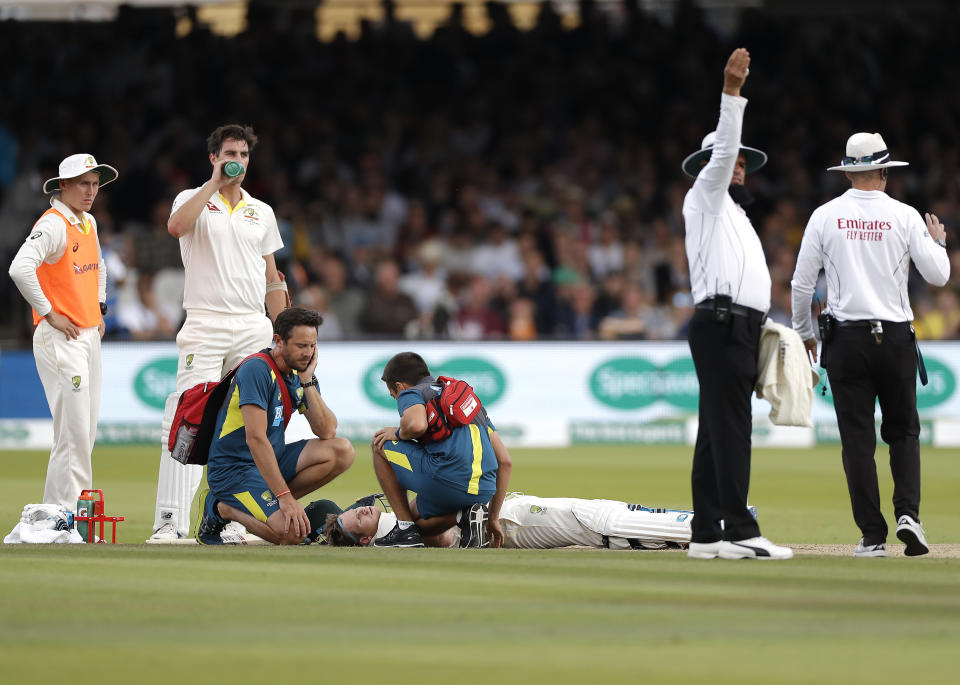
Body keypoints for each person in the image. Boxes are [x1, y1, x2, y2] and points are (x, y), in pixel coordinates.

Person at [790, 132, 949, 558]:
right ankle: (908, 516)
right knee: (903, 431)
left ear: (848, 171)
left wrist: (804, 331)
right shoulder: (905, 215)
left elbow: (802, 284)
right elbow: (939, 276)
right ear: (882, 171)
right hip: (895, 336)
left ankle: (872, 535)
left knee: (856, 439)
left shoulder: (825, 215)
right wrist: (939, 243)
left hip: (845, 340)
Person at [148, 124, 290, 542]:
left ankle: (233, 518)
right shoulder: (192, 199)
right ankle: (171, 524)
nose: (238, 162)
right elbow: (176, 227)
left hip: (252, 327)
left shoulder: (261, 211)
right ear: (213, 157)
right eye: (230, 153)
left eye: (244, 156)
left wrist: (284, 335)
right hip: (206, 324)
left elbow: (272, 278)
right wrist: (214, 184)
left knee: (251, 427)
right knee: (188, 419)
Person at [680, 48, 792, 560]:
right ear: (709, 165)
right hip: (722, 324)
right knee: (731, 427)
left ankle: (706, 533)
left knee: (716, 427)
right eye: (733, 160)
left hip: (737, 326)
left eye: (746, 162)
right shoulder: (705, 194)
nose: (739, 166)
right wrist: (731, 92)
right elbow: (723, 153)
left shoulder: (734, 214)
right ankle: (740, 531)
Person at [7, 153, 118, 510]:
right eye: (83, 183)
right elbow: (20, 268)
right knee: (74, 433)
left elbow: (98, 267)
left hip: (87, 335)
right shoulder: (53, 223)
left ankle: (54, 513)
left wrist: (99, 307)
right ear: (63, 186)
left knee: (80, 433)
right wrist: (49, 313)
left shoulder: (88, 223)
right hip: (60, 337)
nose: (90, 191)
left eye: (95, 183)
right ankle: (77, 515)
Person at [195, 307, 355, 545]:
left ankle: (270, 504)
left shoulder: (300, 373)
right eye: (302, 346)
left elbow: (326, 430)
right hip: (234, 470)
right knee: (292, 535)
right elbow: (256, 439)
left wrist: (308, 380)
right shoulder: (257, 369)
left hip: (270, 461)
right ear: (279, 341)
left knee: (342, 451)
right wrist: (285, 497)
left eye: (313, 346)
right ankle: (221, 508)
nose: (308, 353)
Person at [370, 351, 512, 547]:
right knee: (417, 522)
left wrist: (397, 432)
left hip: (446, 480)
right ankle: (465, 517)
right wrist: (493, 518)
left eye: (393, 395)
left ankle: (404, 529)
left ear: (399, 387)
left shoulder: (412, 393)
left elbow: (417, 425)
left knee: (379, 443)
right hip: (484, 489)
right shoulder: (467, 400)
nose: (396, 399)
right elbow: (505, 461)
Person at [323, 495, 693, 550]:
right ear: (363, 540)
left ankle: (714, 522)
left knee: (595, 513)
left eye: (355, 509)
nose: (362, 510)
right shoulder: (394, 537)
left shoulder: (398, 518)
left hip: (513, 510)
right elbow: (447, 541)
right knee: (596, 523)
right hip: (511, 526)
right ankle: (709, 529)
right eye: (356, 518)